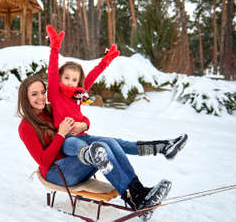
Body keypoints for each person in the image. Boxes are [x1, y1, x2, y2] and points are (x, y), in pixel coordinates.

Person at [18, 76, 175, 221]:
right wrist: (60, 135)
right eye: (34, 94)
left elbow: (79, 116)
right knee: (99, 150)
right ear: (25, 98)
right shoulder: (25, 127)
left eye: (43, 92)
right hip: (57, 173)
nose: (40, 97)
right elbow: (44, 161)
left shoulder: (51, 110)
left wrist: (83, 124)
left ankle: (139, 193)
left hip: (73, 159)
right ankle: (136, 200)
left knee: (108, 144)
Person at [45, 25, 187, 164]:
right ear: (60, 77)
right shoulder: (55, 94)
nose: (70, 82)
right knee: (81, 144)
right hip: (66, 141)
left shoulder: (78, 95)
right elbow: (52, 71)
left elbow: (93, 76)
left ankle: (162, 147)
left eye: (74, 80)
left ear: (78, 82)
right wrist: (55, 49)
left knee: (116, 143)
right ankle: (93, 156)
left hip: (84, 137)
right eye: (67, 77)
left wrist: (105, 62)